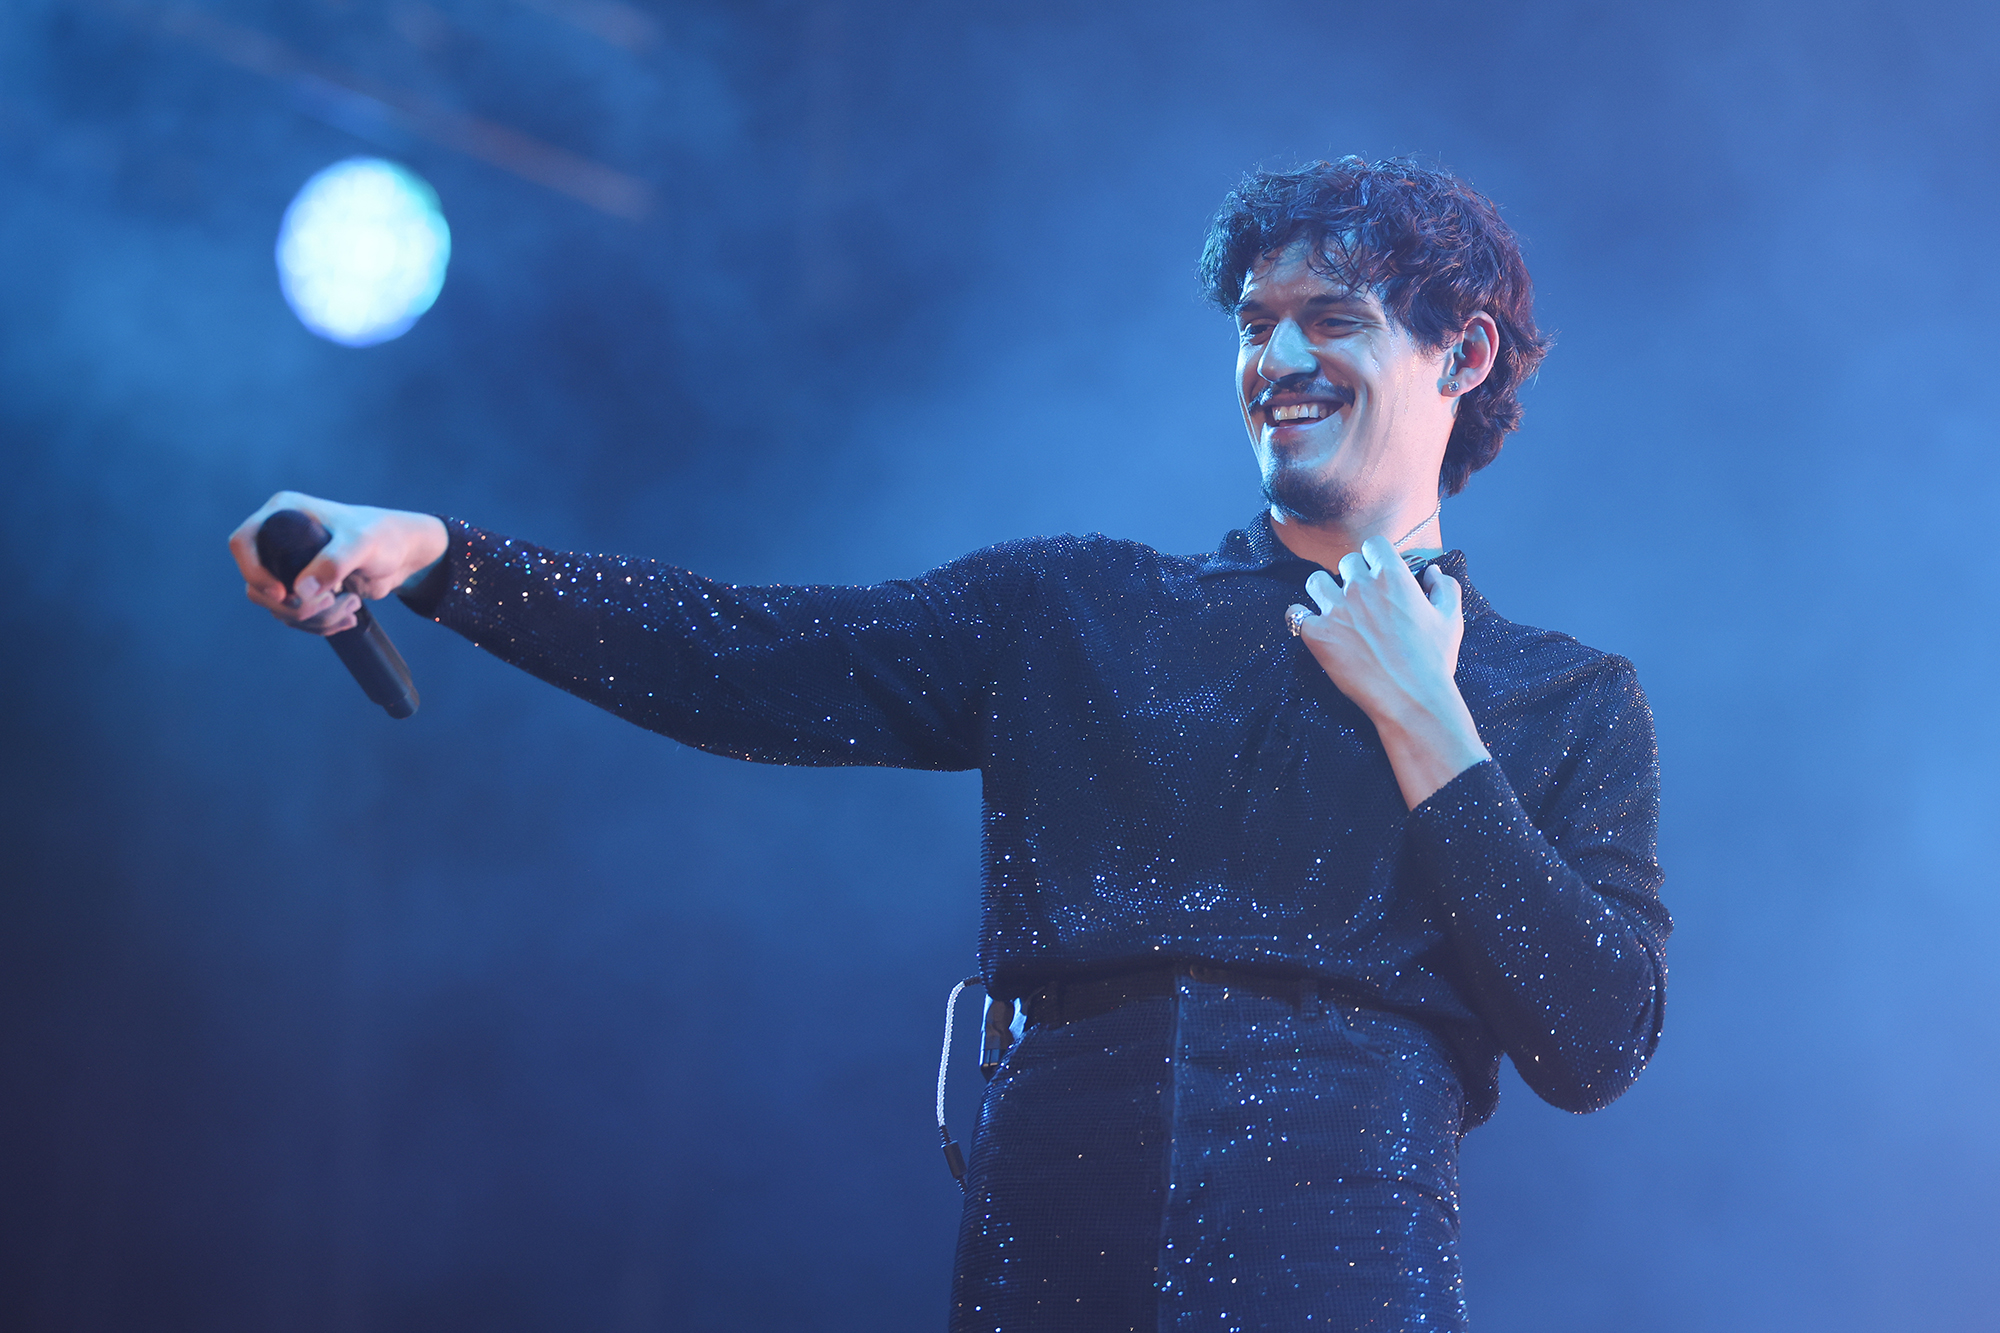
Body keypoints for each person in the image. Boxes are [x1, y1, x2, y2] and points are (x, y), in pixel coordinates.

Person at [229, 156, 1669, 1332]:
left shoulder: (1562, 697)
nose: (1278, 357)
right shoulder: (1080, 608)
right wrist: (439, 554)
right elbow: (747, 656)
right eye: (1252, 321)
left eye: (1333, 317)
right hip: (1054, 1240)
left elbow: (1597, 1035)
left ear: (1461, 351)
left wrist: (1429, 719)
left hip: (1348, 1268)